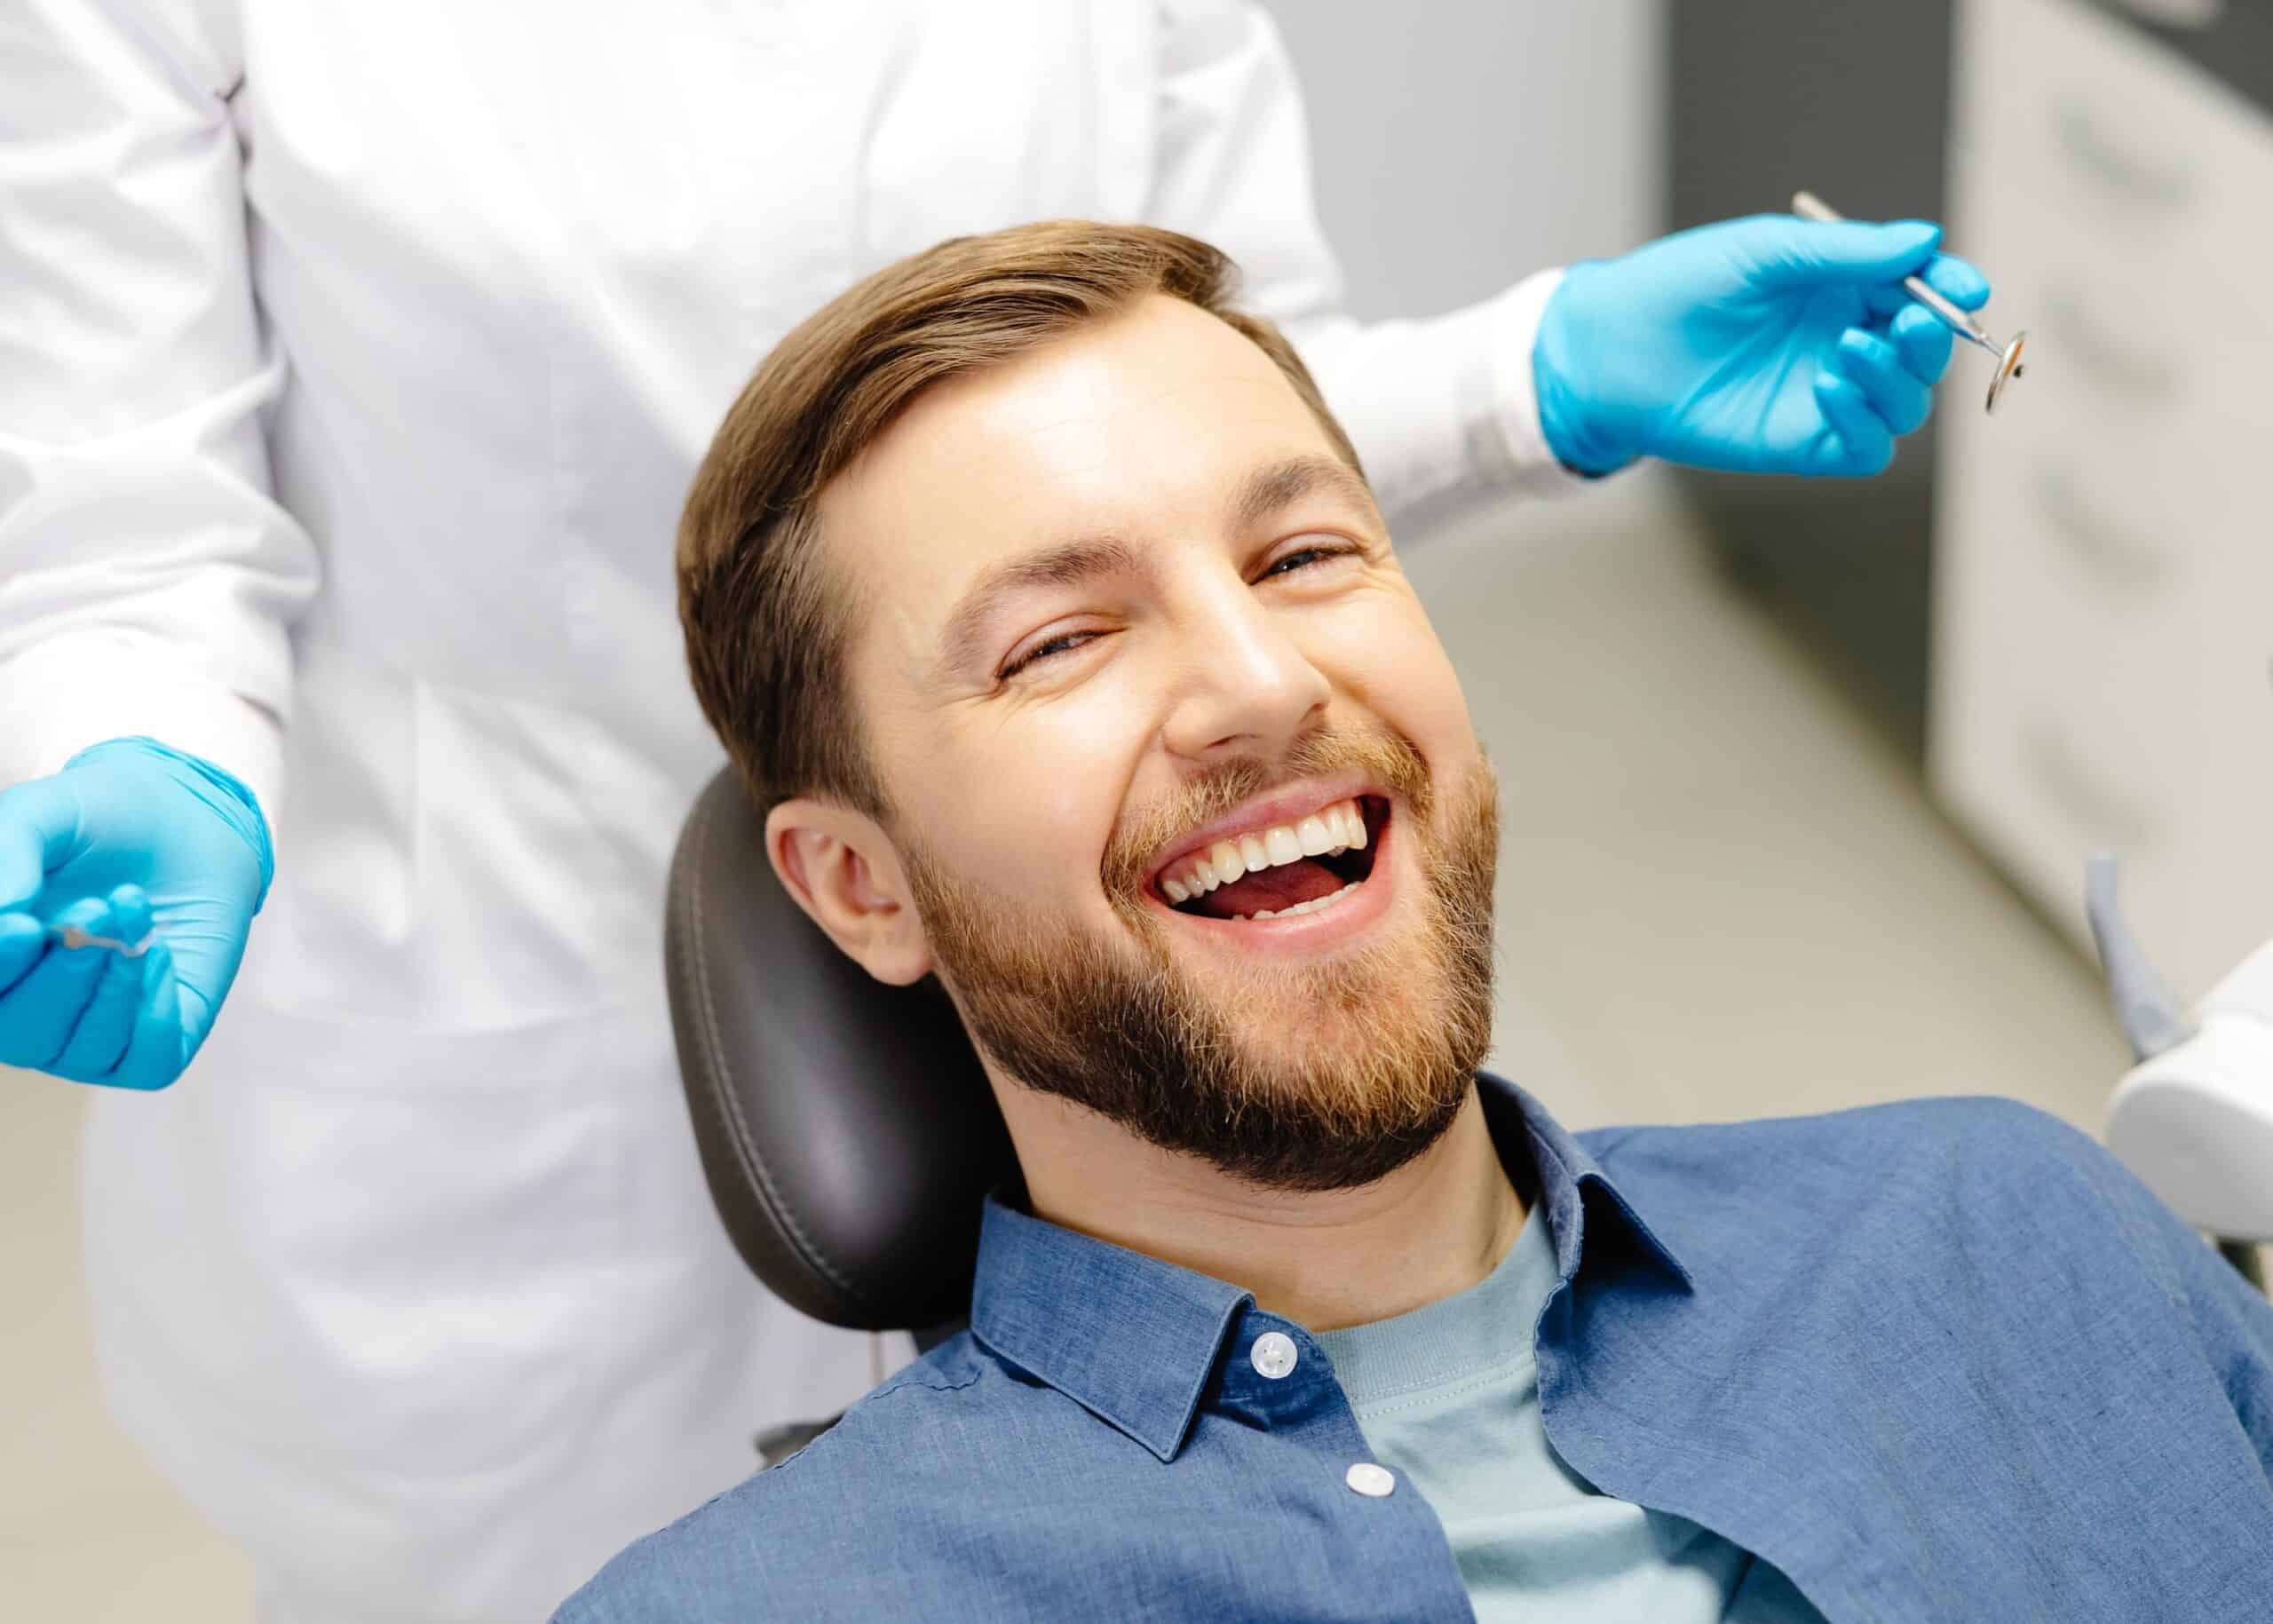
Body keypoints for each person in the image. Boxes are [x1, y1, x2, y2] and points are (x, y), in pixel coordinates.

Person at [1, 4, 1989, 1616]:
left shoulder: (1956, 1246)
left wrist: (1522, 375)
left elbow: (1193, 415)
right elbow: (126, 506)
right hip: (497, 1031)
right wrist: (145, 743)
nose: (1260, 681)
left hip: (1107, 1001)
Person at [554, 220, 2273, 1621]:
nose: (1254, 682)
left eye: (1301, 556)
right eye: (1059, 642)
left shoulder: (2008, 1224)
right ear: (861, 888)